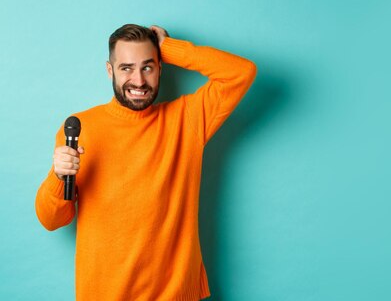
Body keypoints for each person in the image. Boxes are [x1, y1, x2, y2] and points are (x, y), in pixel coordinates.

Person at [34, 23, 256, 301]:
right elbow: (51, 220)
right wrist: (58, 176)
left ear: (161, 68)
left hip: (174, 294)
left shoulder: (187, 120)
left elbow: (241, 73)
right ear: (110, 70)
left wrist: (170, 49)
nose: (138, 81)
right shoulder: (83, 128)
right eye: (126, 67)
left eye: (147, 67)